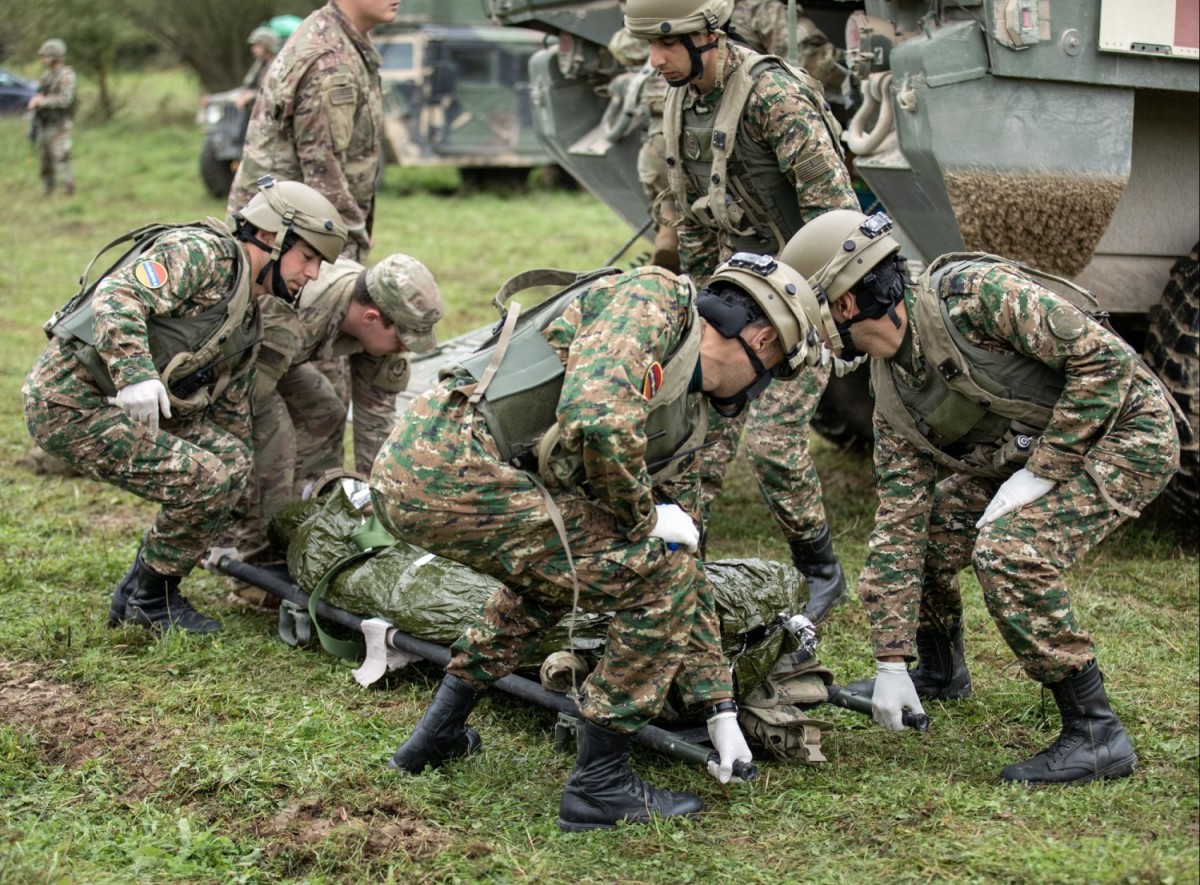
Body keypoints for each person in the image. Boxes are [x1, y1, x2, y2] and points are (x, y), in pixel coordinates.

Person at [371, 252, 841, 830]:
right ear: (763, 340)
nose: (760, 392)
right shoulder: (659, 298)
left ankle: (436, 734)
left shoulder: (688, 415)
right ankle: (599, 786)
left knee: (566, 573)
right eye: (772, 374)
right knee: (652, 571)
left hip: (447, 477)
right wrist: (644, 521)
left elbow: (688, 558)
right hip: (448, 466)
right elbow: (596, 418)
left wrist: (719, 704)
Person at [780, 209, 1182, 784]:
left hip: (1123, 430)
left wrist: (1045, 470)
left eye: (809, 316)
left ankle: (1096, 732)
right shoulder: (892, 395)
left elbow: (1104, 363)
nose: (810, 336)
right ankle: (939, 673)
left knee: (1008, 550)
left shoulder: (972, 297)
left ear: (843, 305)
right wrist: (891, 660)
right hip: (1022, 455)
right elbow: (900, 526)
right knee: (934, 535)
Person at [623, 0, 861, 624]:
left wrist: (819, 323)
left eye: (667, 44)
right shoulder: (682, 99)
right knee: (690, 438)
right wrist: (695, 313)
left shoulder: (774, 96)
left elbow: (838, 219)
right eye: (650, 46)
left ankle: (820, 573)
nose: (656, 60)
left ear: (707, 35)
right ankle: (679, 572)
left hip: (804, 302)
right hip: (731, 302)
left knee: (774, 446)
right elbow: (693, 211)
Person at [22, 178, 347, 635]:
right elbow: (118, 295)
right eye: (308, 257)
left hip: (120, 406)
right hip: (71, 401)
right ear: (274, 239)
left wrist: (245, 501)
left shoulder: (249, 313)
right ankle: (151, 602)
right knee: (206, 478)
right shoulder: (202, 253)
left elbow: (231, 416)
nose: (312, 274)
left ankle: (140, 591)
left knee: (231, 463)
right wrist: (135, 372)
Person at [218, 252, 444, 587]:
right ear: (370, 317)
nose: (403, 349)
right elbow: (238, 407)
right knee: (274, 437)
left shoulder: (373, 330)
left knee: (325, 412)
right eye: (402, 338)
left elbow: (377, 425)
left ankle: (308, 525)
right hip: (229, 367)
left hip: (281, 361)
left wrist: (380, 508)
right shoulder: (296, 312)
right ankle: (258, 561)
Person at [225, 0, 399, 262]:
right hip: (284, 247)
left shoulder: (339, 39)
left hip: (290, 240)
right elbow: (323, 170)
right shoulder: (330, 60)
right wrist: (351, 242)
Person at [27, 38, 77, 197]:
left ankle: (68, 190)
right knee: (45, 158)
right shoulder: (47, 76)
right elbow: (41, 94)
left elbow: (65, 100)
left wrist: (43, 102)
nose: (44, 59)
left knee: (61, 157)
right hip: (45, 123)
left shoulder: (66, 76)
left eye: (46, 55)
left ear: (55, 56)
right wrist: (36, 102)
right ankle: (48, 189)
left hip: (60, 124)